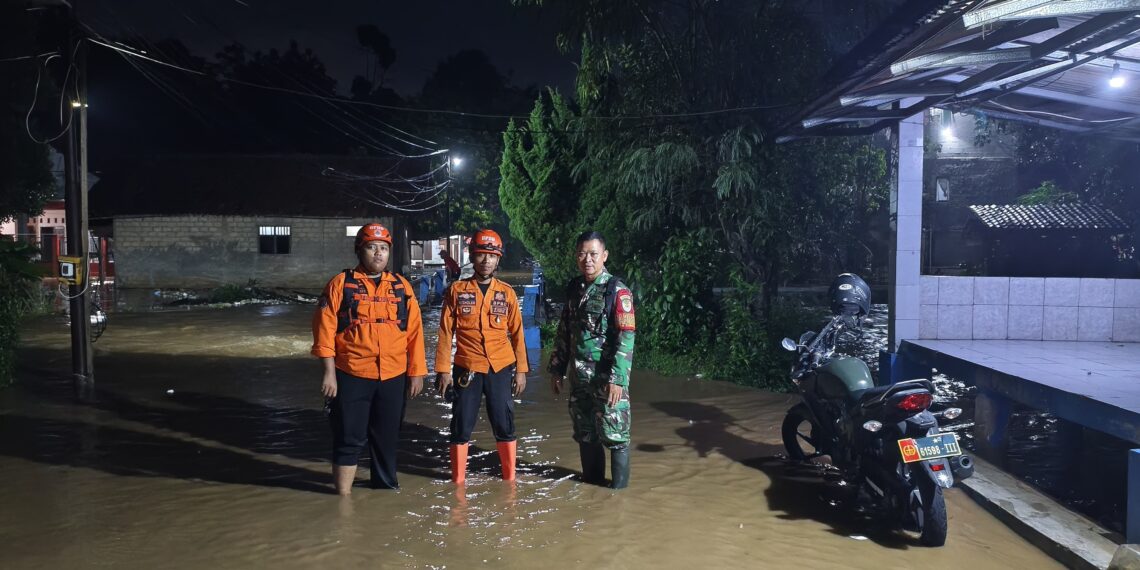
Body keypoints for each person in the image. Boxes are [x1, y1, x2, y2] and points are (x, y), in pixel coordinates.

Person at [312, 222, 427, 495]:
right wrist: (329, 373)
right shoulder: (341, 284)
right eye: (372, 247)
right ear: (359, 250)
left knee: (387, 439)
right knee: (348, 437)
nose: (378, 253)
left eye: (384, 248)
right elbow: (324, 331)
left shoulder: (401, 287)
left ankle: (385, 493)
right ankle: (342, 500)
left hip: (393, 376)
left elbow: (414, 334)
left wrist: (417, 372)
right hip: (351, 375)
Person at [435, 229, 528, 484]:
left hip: (500, 368)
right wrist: (443, 370)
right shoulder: (456, 291)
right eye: (481, 255)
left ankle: (509, 481)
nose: (486, 261)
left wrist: (521, 370)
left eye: (491, 256)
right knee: (461, 425)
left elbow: (518, 334)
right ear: (472, 257)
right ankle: (458, 483)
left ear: (498, 259)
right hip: (467, 368)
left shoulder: (507, 293)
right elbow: (445, 333)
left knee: (504, 423)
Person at [548, 231, 636, 489]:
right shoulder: (575, 288)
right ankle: (593, 494)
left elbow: (626, 337)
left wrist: (618, 379)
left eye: (593, 254)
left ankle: (619, 497)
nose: (587, 259)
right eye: (582, 254)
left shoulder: (617, 291)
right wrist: (557, 369)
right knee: (586, 434)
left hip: (607, 380)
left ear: (604, 256)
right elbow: (565, 330)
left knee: (616, 435)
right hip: (579, 379)